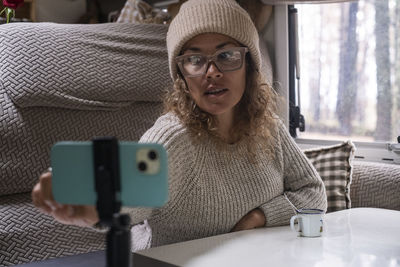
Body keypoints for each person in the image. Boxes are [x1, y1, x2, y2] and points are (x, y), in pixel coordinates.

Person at [32, 0, 327, 250]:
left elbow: (312, 190)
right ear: (181, 77)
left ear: (249, 67)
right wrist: (94, 203)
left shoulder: (270, 127)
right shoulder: (172, 138)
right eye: (195, 60)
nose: (211, 72)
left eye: (226, 56)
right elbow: (131, 195)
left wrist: (258, 217)